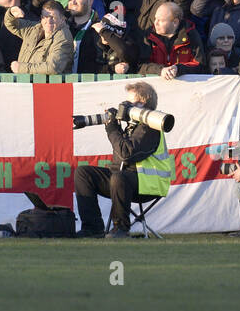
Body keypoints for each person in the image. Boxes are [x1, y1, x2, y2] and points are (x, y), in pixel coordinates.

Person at [73, 80, 171, 238]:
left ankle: (121, 228)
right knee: (83, 173)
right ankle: (92, 228)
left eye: (130, 102)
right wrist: (115, 126)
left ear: (142, 103)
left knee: (119, 177)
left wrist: (112, 128)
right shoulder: (131, 126)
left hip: (149, 184)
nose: (125, 106)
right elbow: (122, 150)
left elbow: (127, 154)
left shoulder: (151, 127)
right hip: (124, 179)